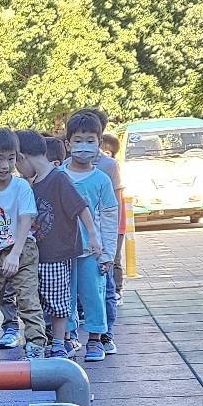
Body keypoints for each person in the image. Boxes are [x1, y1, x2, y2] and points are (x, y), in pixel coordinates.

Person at [14, 130, 102, 359]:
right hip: (37, 254)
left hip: (57, 253)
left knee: (57, 301)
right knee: (38, 299)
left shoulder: (58, 178)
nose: (17, 169)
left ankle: (59, 343)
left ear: (22, 157)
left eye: (16, 162)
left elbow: (80, 207)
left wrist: (93, 236)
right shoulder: (33, 183)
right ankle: (45, 340)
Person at [0, 127, 46, 361]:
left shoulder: (21, 186)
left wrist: (15, 254)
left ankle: (35, 345)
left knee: (28, 299)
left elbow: (26, 219)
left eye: (11, 159)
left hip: (21, 250)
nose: (5, 165)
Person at [62, 109, 120, 362]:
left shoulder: (102, 180)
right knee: (63, 296)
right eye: (78, 140)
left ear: (99, 144)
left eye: (89, 140)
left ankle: (95, 340)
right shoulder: (58, 175)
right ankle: (67, 337)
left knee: (94, 295)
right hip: (63, 251)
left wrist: (107, 253)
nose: (83, 146)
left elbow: (109, 217)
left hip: (92, 252)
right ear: (68, 144)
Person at [100, 129, 125, 306]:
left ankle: (117, 291)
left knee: (114, 259)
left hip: (115, 225)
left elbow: (116, 203)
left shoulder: (111, 167)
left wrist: (115, 226)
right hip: (101, 224)